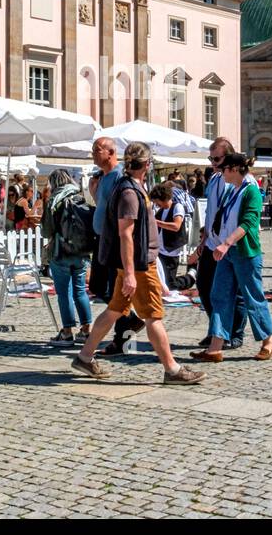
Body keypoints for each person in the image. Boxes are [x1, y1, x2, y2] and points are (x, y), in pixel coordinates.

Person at [71, 142, 205, 385]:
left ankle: (84, 356)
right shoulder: (130, 193)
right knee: (153, 315)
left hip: (134, 264)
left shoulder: (132, 187)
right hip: (140, 266)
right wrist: (131, 273)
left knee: (114, 310)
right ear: (146, 164)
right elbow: (126, 234)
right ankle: (172, 369)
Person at [192, 151, 272, 362]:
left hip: (244, 253)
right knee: (219, 296)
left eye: (225, 170)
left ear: (235, 170)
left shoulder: (252, 192)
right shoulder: (232, 191)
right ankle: (215, 347)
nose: (221, 173)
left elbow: (248, 223)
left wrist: (227, 242)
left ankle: (268, 341)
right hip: (226, 252)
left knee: (252, 297)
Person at [186, 137, 248, 349]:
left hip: (230, 245)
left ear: (228, 157)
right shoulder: (213, 179)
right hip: (212, 243)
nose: (213, 162)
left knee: (235, 293)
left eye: (217, 158)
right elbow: (211, 214)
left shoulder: (237, 182)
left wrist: (229, 242)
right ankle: (217, 330)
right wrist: (203, 241)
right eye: (210, 158)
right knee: (204, 288)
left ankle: (234, 334)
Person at [88, 138, 143, 355]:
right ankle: (131, 320)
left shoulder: (119, 177)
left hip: (114, 241)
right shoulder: (103, 177)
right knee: (98, 287)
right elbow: (103, 206)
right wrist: (93, 192)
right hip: (102, 239)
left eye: (97, 150)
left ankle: (121, 338)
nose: (93, 153)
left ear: (111, 152)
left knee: (116, 291)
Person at [41, 169, 92, 347]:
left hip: (60, 252)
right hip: (81, 252)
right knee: (80, 291)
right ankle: (86, 331)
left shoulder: (54, 201)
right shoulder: (80, 197)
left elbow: (46, 231)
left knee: (64, 294)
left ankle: (67, 332)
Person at [150, 182, 186, 288]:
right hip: (160, 250)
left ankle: (190, 277)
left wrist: (155, 222)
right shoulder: (161, 210)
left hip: (171, 251)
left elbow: (176, 226)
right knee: (161, 281)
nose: (156, 205)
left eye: (157, 202)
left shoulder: (177, 207)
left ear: (164, 198)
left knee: (171, 285)